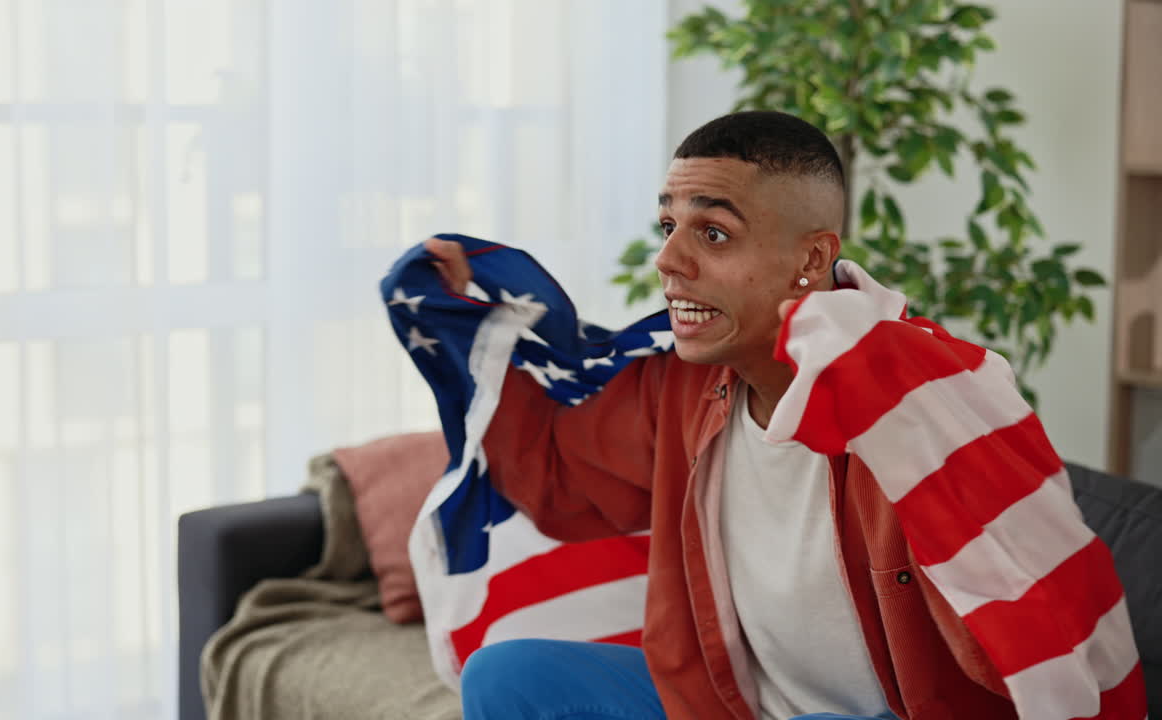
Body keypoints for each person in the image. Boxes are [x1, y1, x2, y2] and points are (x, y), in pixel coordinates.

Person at [421, 111, 1106, 720]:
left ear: (811, 258)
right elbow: (559, 473)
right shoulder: (685, 383)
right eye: (669, 226)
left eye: (713, 233)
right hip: (736, 703)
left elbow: (1042, 622)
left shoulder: (928, 400)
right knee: (507, 675)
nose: (667, 260)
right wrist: (460, 318)